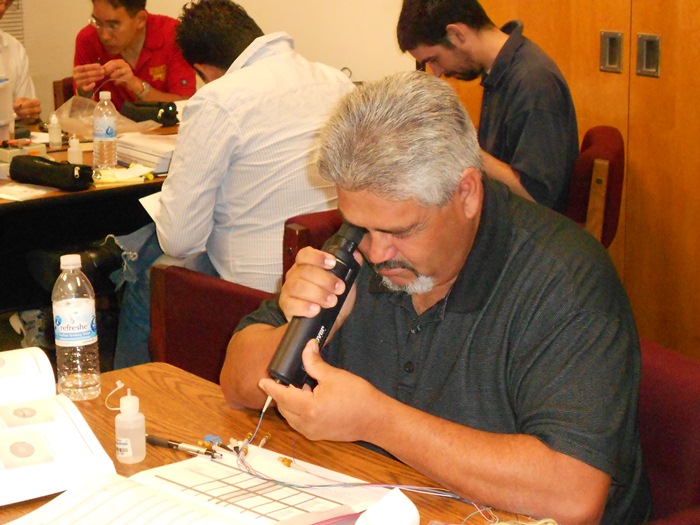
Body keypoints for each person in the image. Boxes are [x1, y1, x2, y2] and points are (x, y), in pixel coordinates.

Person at [220, 72, 651, 524]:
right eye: (360, 227)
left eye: (401, 231)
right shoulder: (357, 249)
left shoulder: (564, 277)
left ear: (466, 193)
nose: (376, 253)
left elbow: (573, 495)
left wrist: (377, 421)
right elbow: (235, 382)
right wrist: (307, 325)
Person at [106, 0, 354, 368]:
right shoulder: (337, 80)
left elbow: (181, 238)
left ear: (204, 69)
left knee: (146, 274)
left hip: (255, 289)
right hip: (335, 277)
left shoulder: (217, 100)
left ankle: (134, 393)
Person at [397, 0, 578, 212]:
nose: (436, 72)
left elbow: (537, 198)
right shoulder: (500, 72)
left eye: (434, 59)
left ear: (457, 34)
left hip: (530, 233)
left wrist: (459, 145)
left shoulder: (533, 82)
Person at [73, 0, 196, 110]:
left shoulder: (172, 34)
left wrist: (137, 86)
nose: (104, 36)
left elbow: (186, 106)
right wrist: (83, 92)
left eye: (113, 25)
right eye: (97, 22)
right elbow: (82, 117)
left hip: (165, 132)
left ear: (140, 20)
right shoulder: (87, 39)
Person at [0, 0, 41, 122]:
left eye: (7, 3)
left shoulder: (14, 49)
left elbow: (27, 112)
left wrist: (27, 112)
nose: (2, 9)